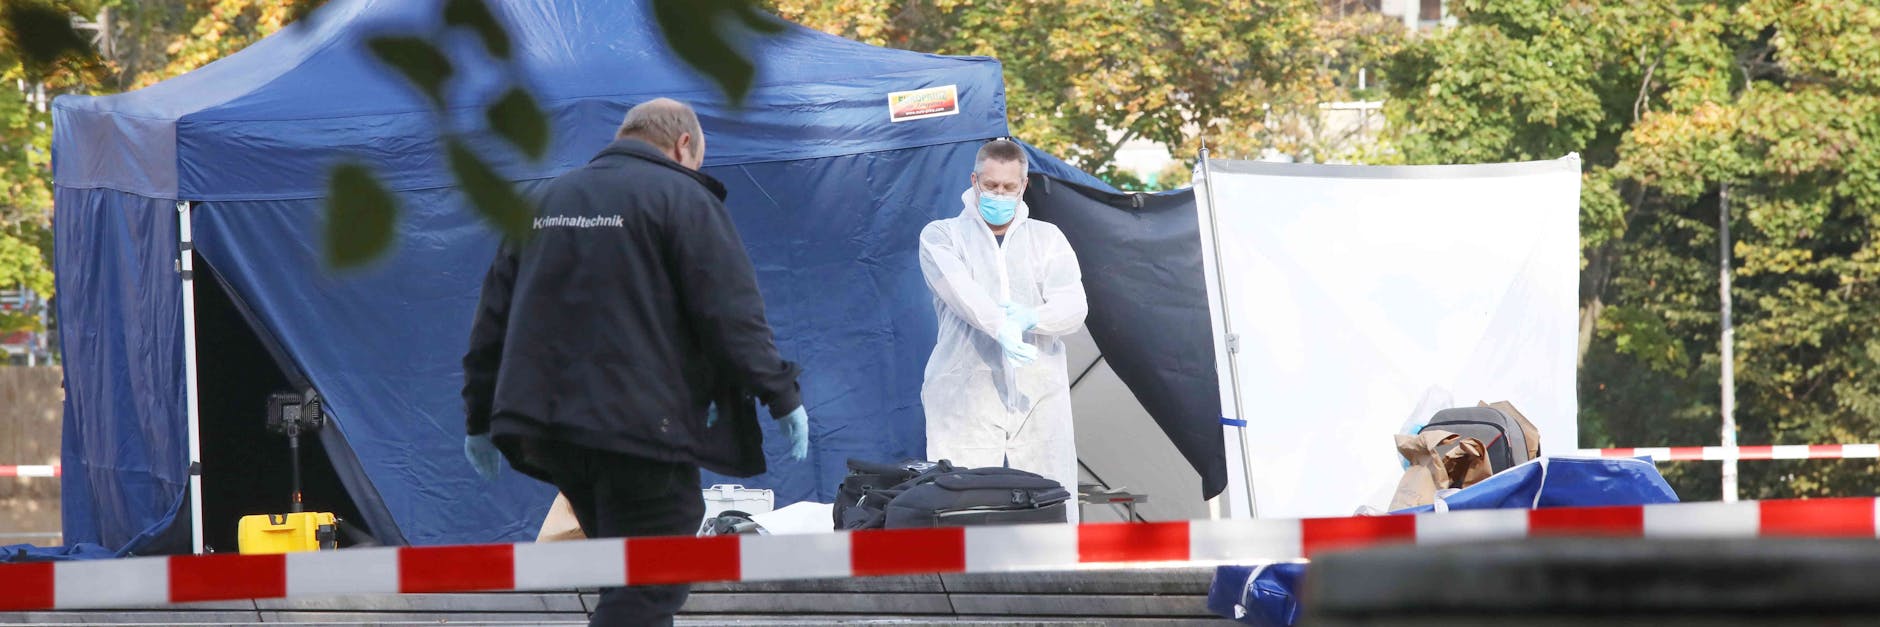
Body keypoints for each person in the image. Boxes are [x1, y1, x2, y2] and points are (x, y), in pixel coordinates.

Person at [460, 98, 810, 626]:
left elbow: (491, 322)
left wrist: (478, 418)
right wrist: (780, 394)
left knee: (629, 577)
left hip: (549, 431)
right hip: (639, 428)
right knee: (650, 583)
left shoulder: (545, 200)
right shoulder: (681, 196)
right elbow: (731, 313)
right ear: (683, 144)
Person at [918, 139, 1089, 523]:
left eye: (1009, 187)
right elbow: (962, 292)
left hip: (1037, 397)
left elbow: (1074, 306)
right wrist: (1002, 326)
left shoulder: (1047, 239)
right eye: (991, 185)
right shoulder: (942, 236)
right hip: (964, 399)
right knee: (963, 511)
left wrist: (1031, 318)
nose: (999, 194)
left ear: (1024, 185)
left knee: (1048, 508)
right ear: (974, 181)